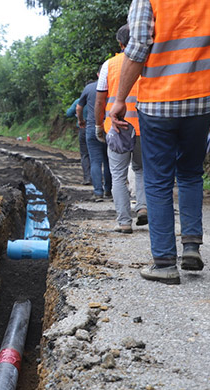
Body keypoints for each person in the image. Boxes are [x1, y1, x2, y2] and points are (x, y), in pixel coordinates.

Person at [109, 0, 210, 285]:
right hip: (201, 99)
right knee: (190, 173)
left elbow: (139, 45)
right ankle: (191, 246)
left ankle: (164, 262)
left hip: (159, 102)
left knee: (157, 180)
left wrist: (119, 100)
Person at [94, 24, 147, 234]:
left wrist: (99, 125)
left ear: (120, 43)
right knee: (141, 170)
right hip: (144, 127)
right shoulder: (148, 62)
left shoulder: (110, 65)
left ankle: (124, 222)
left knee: (117, 175)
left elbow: (100, 101)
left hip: (117, 129)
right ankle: (142, 207)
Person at [78, 77, 112, 201]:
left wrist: (81, 120)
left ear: (98, 74)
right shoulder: (113, 86)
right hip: (109, 127)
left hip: (92, 127)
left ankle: (98, 192)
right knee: (108, 161)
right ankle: (108, 190)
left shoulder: (89, 87)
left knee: (95, 161)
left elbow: (78, 107)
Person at [66, 97, 92, 185]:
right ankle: (98, 179)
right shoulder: (99, 99)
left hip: (83, 128)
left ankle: (87, 178)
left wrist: (78, 116)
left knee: (85, 154)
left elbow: (68, 113)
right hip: (97, 128)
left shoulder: (79, 101)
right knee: (97, 155)